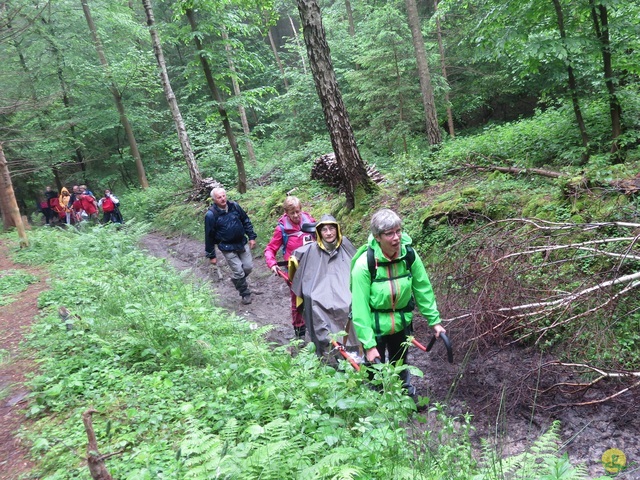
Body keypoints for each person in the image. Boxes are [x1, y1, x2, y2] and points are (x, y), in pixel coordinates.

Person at [350, 208, 446, 396]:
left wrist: (434, 322)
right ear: (377, 237)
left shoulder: (408, 256)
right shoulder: (364, 265)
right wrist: (368, 345)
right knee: (374, 370)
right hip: (375, 325)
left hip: (401, 322)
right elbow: (359, 308)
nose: (396, 238)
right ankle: (376, 400)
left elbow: (422, 288)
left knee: (400, 363)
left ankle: (404, 393)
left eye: (398, 231)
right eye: (389, 234)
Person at [289, 215, 359, 360]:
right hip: (319, 290)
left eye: (331, 229)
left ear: (337, 229)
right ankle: (325, 350)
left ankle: (354, 348)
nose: (328, 233)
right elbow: (298, 269)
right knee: (315, 302)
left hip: (344, 287)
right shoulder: (311, 250)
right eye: (324, 230)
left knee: (348, 304)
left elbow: (357, 264)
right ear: (319, 233)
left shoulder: (345, 245)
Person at [264, 196, 315, 338]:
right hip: (294, 270)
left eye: (298, 211)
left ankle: (317, 327)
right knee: (297, 299)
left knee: (315, 296)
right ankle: (299, 332)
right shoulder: (282, 229)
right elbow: (270, 249)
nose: (296, 215)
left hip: (312, 266)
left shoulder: (310, 221)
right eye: (292, 213)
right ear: (286, 213)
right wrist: (272, 264)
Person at [205, 187, 257, 304]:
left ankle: (237, 280)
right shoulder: (211, 215)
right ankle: (245, 293)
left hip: (241, 242)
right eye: (219, 197)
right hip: (227, 247)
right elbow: (209, 236)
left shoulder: (235, 206)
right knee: (238, 270)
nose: (223, 199)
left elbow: (246, 221)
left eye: (224, 196)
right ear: (214, 199)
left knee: (248, 267)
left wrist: (252, 237)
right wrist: (211, 255)